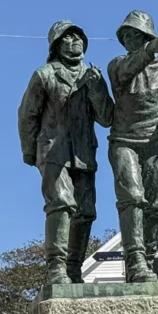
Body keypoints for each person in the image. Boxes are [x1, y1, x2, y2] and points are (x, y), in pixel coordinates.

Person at [18, 20, 114, 284]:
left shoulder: (93, 76)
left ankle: (73, 268)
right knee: (61, 204)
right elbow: (27, 114)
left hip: (84, 152)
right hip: (53, 150)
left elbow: (106, 118)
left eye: (78, 37)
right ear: (56, 45)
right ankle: (56, 268)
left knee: (86, 211)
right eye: (68, 38)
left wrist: (96, 88)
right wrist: (30, 150)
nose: (75, 41)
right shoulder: (44, 75)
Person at [107, 11, 158, 283]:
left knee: (155, 206)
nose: (130, 38)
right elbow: (127, 70)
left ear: (147, 37)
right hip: (125, 142)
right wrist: (150, 50)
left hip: (157, 146)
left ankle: (147, 260)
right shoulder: (118, 66)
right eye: (126, 34)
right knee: (132, 197)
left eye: (136, 34)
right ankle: (135, 259)